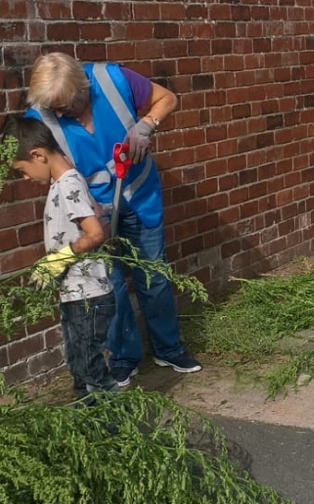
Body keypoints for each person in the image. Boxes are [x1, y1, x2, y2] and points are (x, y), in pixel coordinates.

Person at [25, 52, 201, 387]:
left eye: (65, 104)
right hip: (95, 213)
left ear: (82, 86)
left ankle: (168, 348)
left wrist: (145, 125)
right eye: (53, 108)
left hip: (140, 195)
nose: (59, 113)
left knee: (154, 276)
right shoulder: (39, 117)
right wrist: (88, 209)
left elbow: (168, 98)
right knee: (113, 287)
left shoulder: (113, 79)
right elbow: (52, 170)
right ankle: (124, 358)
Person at [3, 115, 118, 402]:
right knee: (78, 365)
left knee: (90, 368)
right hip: (74, 295)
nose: (26, 178)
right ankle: (87, 425)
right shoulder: (64, 180)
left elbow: (95, 233)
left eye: (22, 171)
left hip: (88, 297)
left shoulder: (68, 185)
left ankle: (117, 427)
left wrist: (59, 258)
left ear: (38, 155)